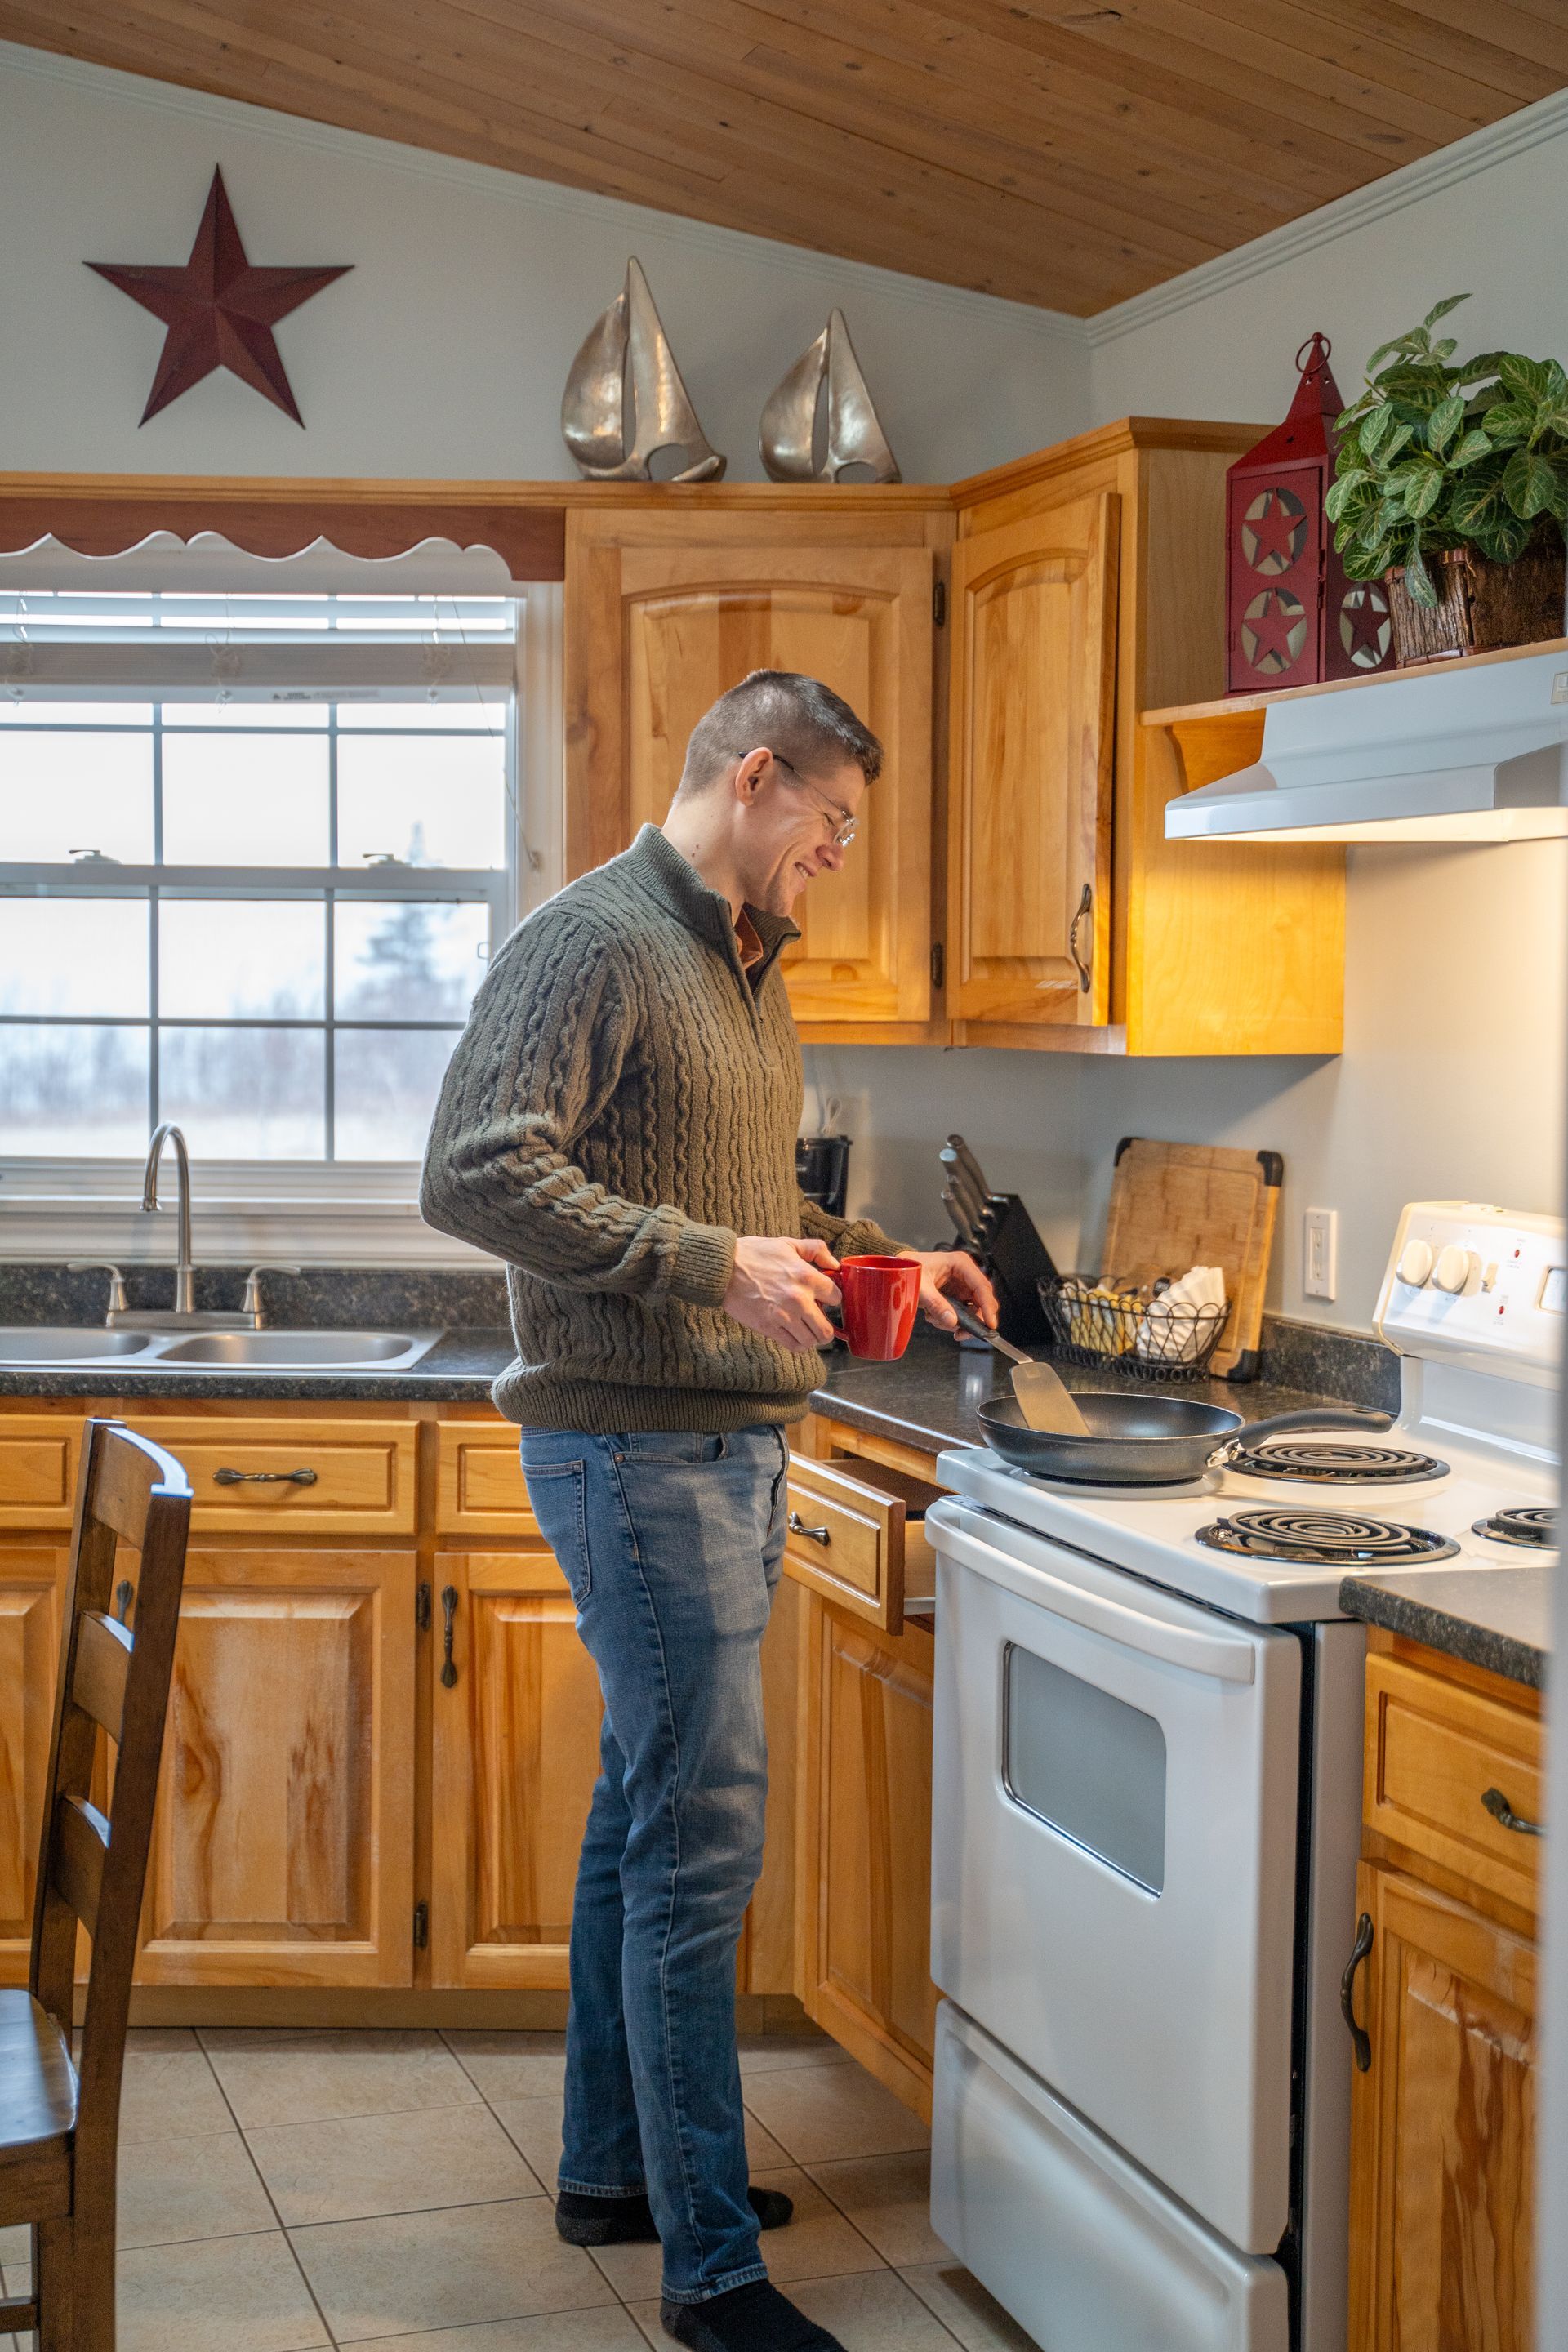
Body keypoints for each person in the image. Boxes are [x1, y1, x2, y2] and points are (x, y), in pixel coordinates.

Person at [421, 670, 996, 2352]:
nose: (835, 858)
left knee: (643, 1809)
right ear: (756, 780)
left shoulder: (747, 963)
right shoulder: (594, 939)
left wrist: (880, 1265)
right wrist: (704, 1263)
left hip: (721, 1443)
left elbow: (735, 1215)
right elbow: (469, 1167)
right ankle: (712, 2277)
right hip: (638, 1451)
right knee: (700, 1841)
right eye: (829, 824)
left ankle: (619, 2170)